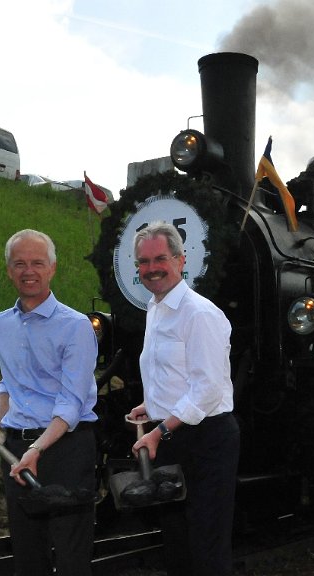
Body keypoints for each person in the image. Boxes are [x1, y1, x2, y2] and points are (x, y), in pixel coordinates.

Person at [0, 229, 99, 576]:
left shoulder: (76, 327)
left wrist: (37, 450)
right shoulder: (2, 323)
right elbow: (11, 382)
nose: (29, 271)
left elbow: (71, 403)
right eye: (20, 263)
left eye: (38, 263)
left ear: (53, 268)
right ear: (9, 270)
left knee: (72, 559)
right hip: (16, 449)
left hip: (66, 449)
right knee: (27, 558)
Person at [128, 221, 240, 576]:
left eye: (160, 258)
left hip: (206, 439)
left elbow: (207, 389)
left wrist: (160, 430)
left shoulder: (199, 313)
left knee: (206, 545)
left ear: (181, 260)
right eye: (143, 263)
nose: (151, 269)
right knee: (176, 542)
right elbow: (177, 373)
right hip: (174, 434)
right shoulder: (155, 308)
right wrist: (153, 404)